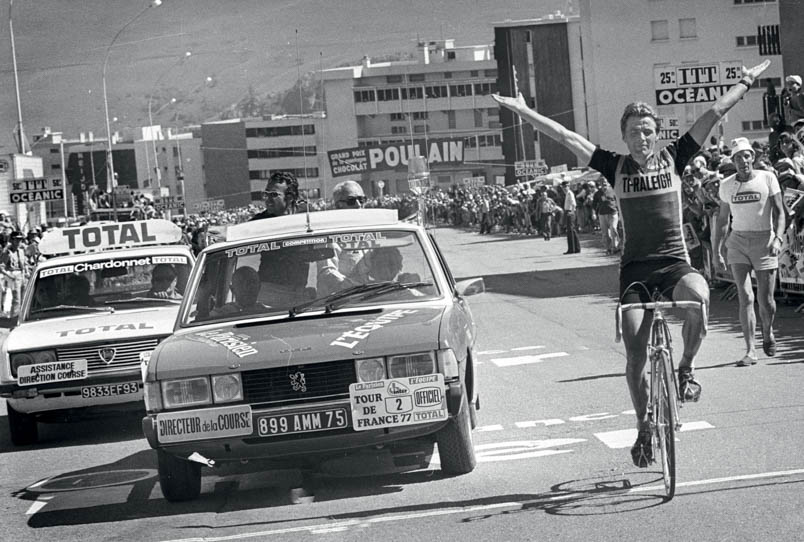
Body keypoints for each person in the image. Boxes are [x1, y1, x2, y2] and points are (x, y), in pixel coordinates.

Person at [492, 58, 770, 468]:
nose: (641, 137)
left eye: (648, 130)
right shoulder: (613, 166)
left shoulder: (676, 157)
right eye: (634, 131)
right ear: (623, 136)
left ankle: (685, 369)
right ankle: (644, 426)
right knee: (635, 356)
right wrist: (524, 110)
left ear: (658, 135)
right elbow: (567, 136)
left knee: (699, 299)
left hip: (675, 264)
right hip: (636, 272)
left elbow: (714, 113)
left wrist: (745, 81)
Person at [715, 138, 786, 366]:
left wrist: (778, 238)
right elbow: (723, 219)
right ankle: (750, 350)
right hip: (738, 242)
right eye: (737, 157)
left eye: (746, 156)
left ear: (752, 157)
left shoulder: (768, 178)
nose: (742, 161)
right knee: (745, 296)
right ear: (733, 161)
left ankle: (767, 331)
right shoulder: (726, 185)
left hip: (764, 241)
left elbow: (781, 212)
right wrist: (717, 250)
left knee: (766, 301)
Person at [317, 180, 373, 295]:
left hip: (369, 298)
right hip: (337, 302)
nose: (358, 205)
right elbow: (327, 273)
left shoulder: (371, 232)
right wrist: (359, 289)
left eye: (362, 199)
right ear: (338, 205)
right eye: (351, 201)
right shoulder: (330, 235)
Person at [0, 231, 27, 317]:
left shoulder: (21, 251)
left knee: (25, 298)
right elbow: (1, 267)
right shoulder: (7, 253)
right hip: (14, 275)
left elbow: (24, 264)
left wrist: (26, 272)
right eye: (16, 240)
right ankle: (15, 318)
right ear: (11, 240)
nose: (19, 242)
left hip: (23, 275)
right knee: (17, 299)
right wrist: (9, 276)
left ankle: (23, 317)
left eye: (20, 240)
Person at [593, 178, 620, 254]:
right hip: (602, 215)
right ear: (600, 184)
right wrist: (595, 213)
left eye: (605, 182)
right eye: (602, 183)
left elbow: (618, 201)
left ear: (607, 183)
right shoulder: (597, 193)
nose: (603, 184)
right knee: (605, 233)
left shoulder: (613, 191)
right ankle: (608, 248)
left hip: (613, 213)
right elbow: (594, 204)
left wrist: (619, 212)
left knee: (613, 229)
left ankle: (614, 247)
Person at [561, 180, 581, 254]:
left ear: (569, 186)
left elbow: (573, 204)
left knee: (570, 231)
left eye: (566, 186)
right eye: (564, 187)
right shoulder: (567, 194)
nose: (565, 188)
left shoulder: (569, 193)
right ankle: (576, 248)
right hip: (568, 212)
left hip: (570, 212)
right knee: (571, 230)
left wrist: (572, 212)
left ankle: (572, 249)